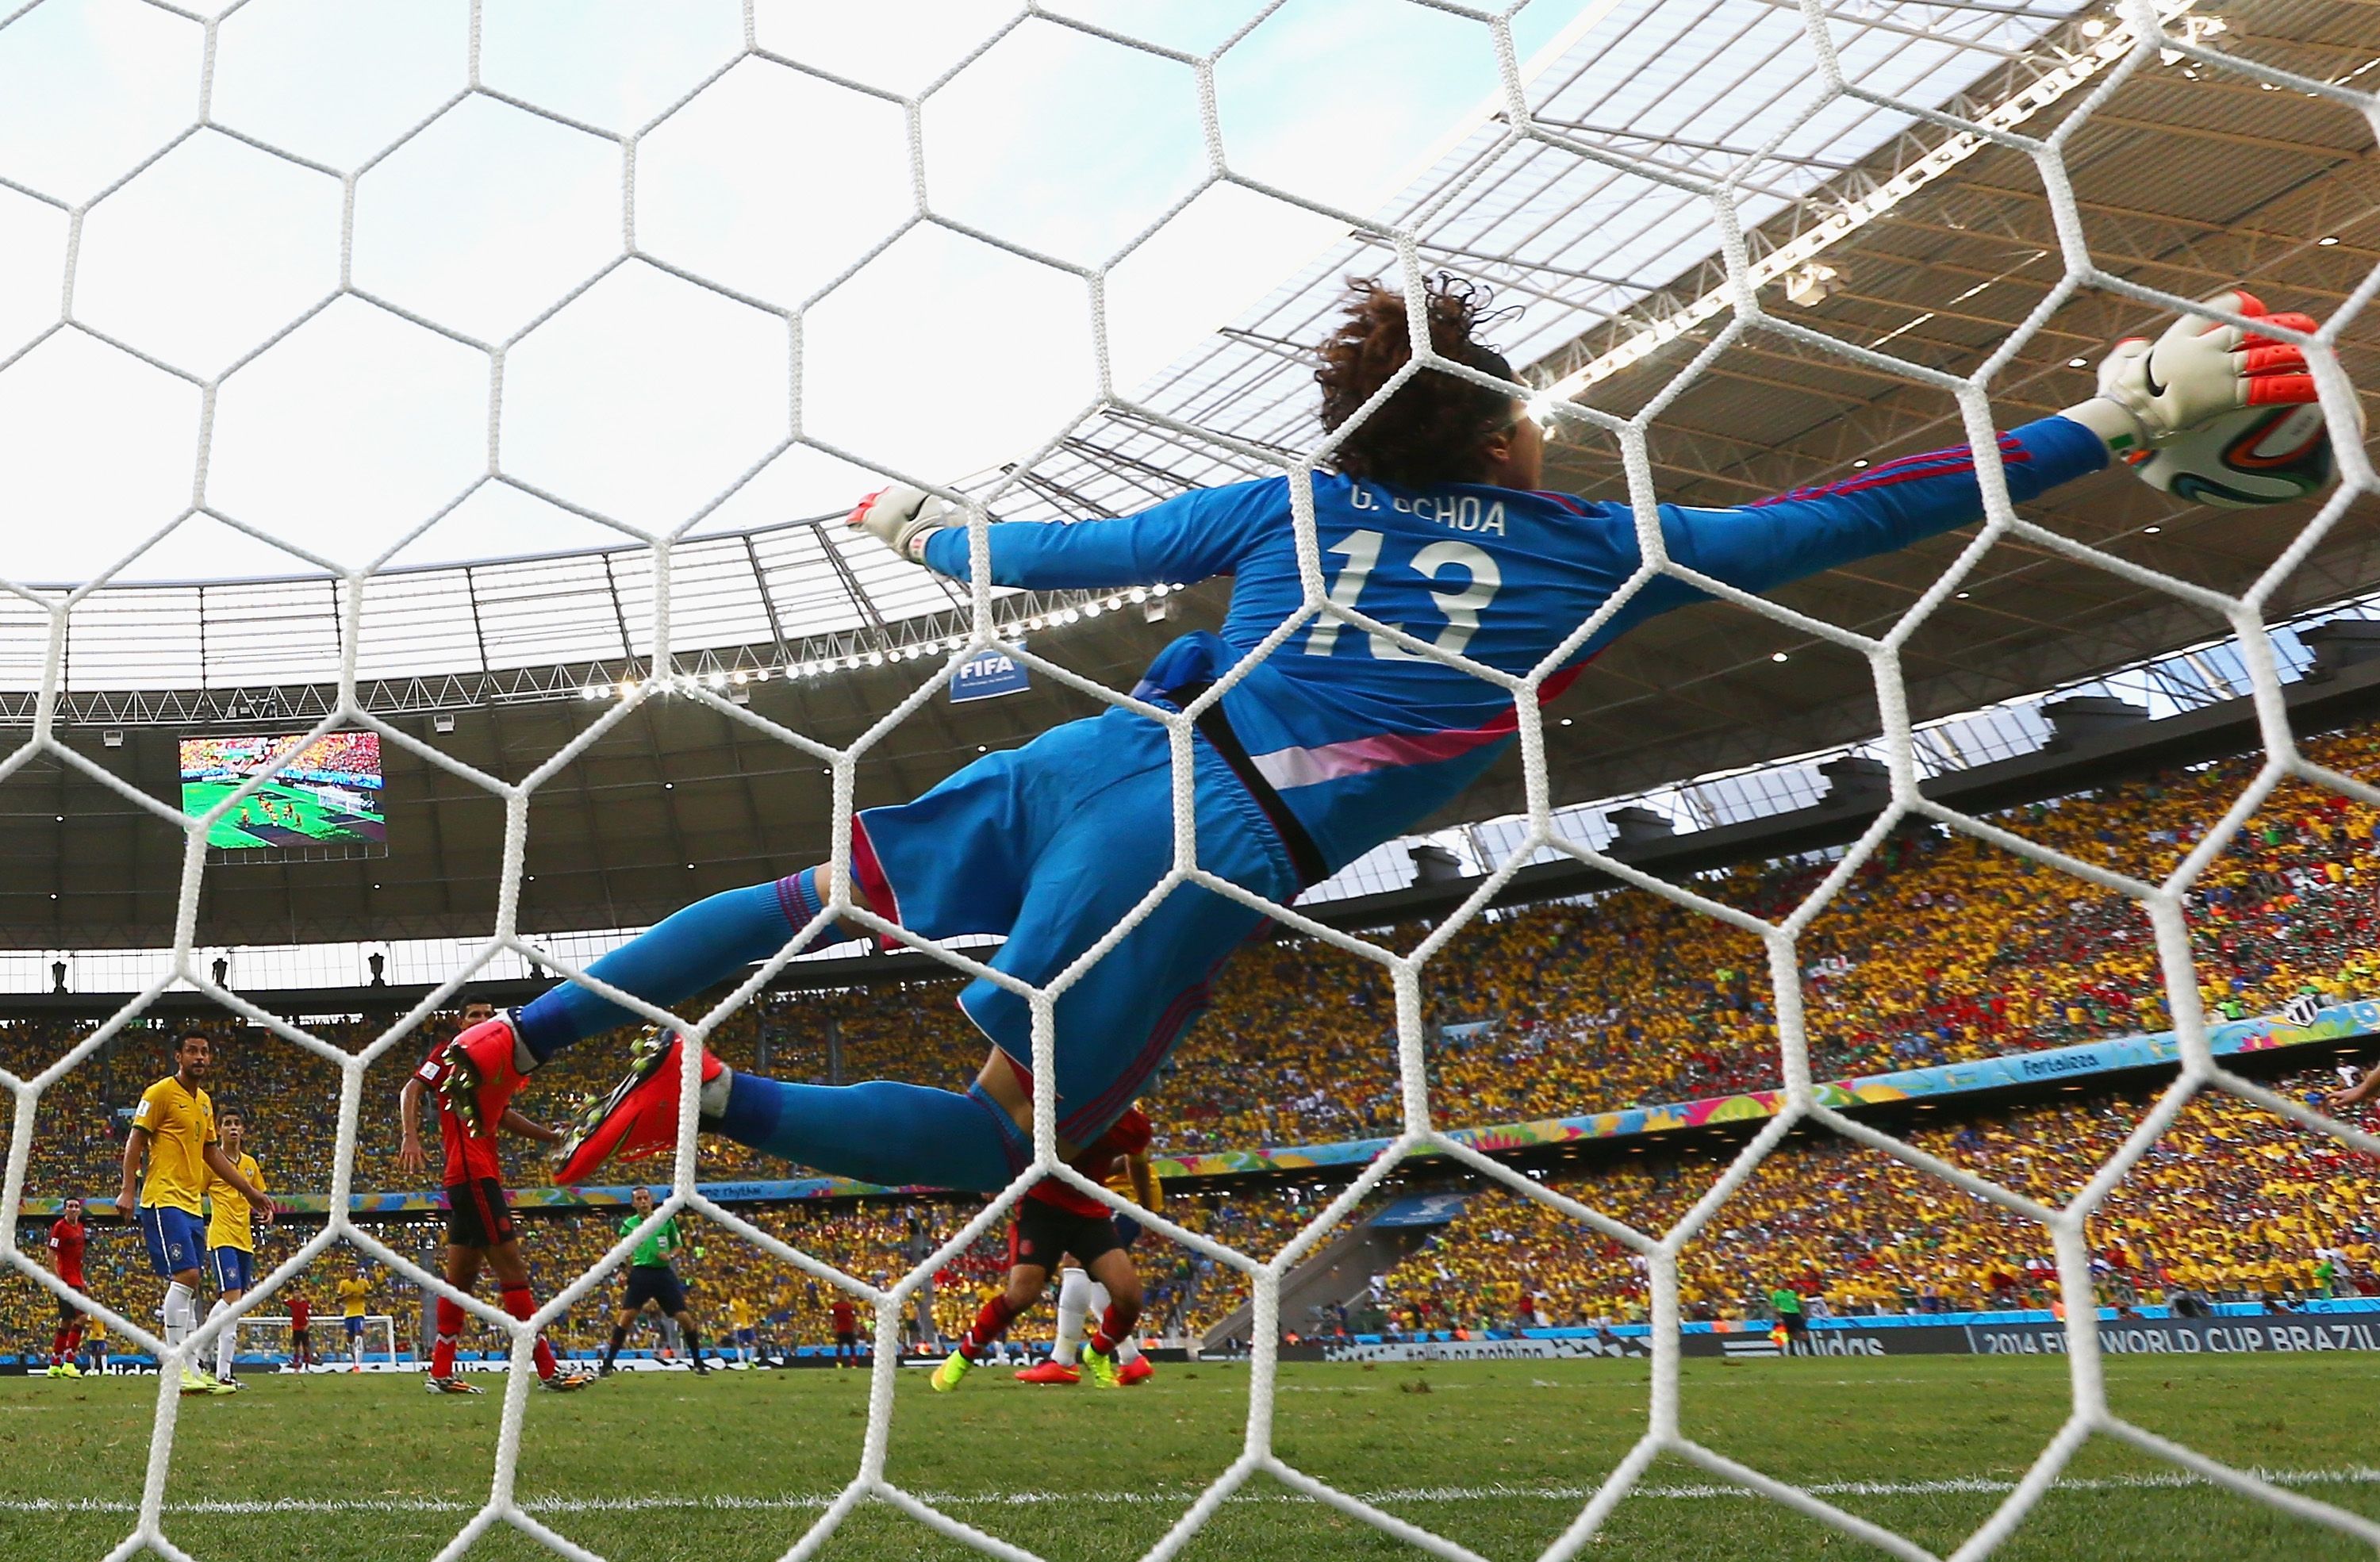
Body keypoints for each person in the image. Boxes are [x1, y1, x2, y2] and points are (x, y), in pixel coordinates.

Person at [429, 280, 2316, 1198]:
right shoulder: (1587, 552)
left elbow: (1033, 557)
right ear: (1494, 436)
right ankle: (722, 1103)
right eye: (1530, 416)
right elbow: (1859, 515)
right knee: (1014, 1146)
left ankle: (523, 1037)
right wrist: (2105, 423)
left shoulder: (1289, 508)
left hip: (1101, 758)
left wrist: (914, 526)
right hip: (1206, 841)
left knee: (804, 892)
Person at [399, 1024, 593, 1395]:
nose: (481, 1019)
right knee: (513, 1272)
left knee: (461, 1281)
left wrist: (553, 1137)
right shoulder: (449, 1055)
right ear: (461, 1022)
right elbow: (412, 1088)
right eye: (473, 1014)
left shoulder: (491, 1064)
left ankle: (440, 1372)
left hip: (471, 1179)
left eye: (487, 1014)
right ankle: (547, 1369)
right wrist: (411, 1135)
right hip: (474, 1178)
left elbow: (503, 1115)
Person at [933, 1107, 1151, 1392]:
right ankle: (962, 1357)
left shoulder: (1132, 1123)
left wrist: (1147, 1211)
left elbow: (1136, 1162)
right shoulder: (1060, 1104)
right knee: (1022, 1295)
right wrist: (996, 1176)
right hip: (1041, 1208)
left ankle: (1096, 1353)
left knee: (1130, 1298)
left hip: (1089, 1213)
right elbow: (1010, 1129)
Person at [117, 1030, 275, 1397]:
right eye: (192, 1051)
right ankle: (175, 1366)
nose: (199, 1057)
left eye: (204, 1052)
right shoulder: (159, 1093)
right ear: (179, 1056)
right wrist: (128, 1188)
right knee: (187, 1275)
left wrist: (250, 1191)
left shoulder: (204, 1103)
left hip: (191, 1203)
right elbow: (136, 1140)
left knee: (192, 1282)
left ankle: (191, 1369)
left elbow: (212, 1154)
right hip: (162, 1198)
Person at [1021, 1136, 1162, 1387]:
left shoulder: (1106, 1117)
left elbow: (1130, 1158)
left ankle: (1063, 1361)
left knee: (1076, 1262)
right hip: (1113, 1197)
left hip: (1122, 1197)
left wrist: (1075, 1169)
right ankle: (1131, 1359)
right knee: (1097, 1277)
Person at [597, 1188, 711, 1376]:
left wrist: (670, 1256)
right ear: (634, 1204)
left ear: (651, 1200)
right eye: (639, 1199)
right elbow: (623, 1251)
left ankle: (698, 1363)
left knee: (685, 1319)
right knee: (626, 1318)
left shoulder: (665, 1220)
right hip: (641, 1273)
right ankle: (608, 1364)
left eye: (645, 1198)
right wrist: (623, 1271)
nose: (643, 1202)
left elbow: (678, 1246)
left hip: (663, 1273)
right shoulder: (629, 1225)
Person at [202, 1111, 267, 1389]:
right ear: (219, 1130)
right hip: (222, 1237)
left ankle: (200, 1352)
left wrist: (266, 1212)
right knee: (232, 1301)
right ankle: (223, 1373)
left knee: (233, 1302)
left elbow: (260, 1197)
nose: (232, 1128)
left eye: (237, 1124)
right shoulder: (211, 1163)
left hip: (244, 1240)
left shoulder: (250, 1164)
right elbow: (195, 1189)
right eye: (227, 1124)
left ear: (243, 1130)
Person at [44, 1196, 87, 1379]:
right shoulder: (60, 1227)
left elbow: (77, 1259)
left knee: (67, 1321)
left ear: (80, 1210)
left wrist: (82, 1281)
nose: (73, 1209)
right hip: (66, 1281)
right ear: (65, 1209)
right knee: (82, 1317)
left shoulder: (80, 1228)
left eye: (76, 1206)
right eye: (70, 1206)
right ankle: (69, 1362)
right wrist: (57, 1279)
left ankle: (55, 1365)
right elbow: (50, 1253)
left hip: (77, 1280)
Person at [335, 1266, 374, 1372]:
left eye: (354, 1269)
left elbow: (373, 1295)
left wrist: (364, 1296)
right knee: (350, 1340)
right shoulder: (344, 1283)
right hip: (348, 1314)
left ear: (357, 1272)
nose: (352, 1272)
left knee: (359, 1337)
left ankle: (357, 1365)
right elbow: (337, 1300)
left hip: (360, 1313)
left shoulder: (363, 1282)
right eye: (350, 1270)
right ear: (347, 1272)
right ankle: (353, 1356)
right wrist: (347, 1295)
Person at [829, 1295, 860, 1368]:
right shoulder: (835, 1306)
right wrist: (833, 1328)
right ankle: (839, 1363)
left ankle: (853, 1363)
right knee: (840, 1346)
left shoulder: (849, 1306)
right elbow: (832, 1317)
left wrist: (855, 1326)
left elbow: (853, 1317)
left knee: (851, 1346)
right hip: (841, 1329)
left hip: (849, 1329)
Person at [726, 1295, 758, 1366]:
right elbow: (732, 1314)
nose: (738, 1293)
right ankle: (742, 1363)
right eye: (737, 1291)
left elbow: (747, 1313)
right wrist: (736, 1323)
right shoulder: (733, 1302)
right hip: (738, 1327)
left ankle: (751, 1362)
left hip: (746, 1326)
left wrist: (751, 1322)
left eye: (740, 1291)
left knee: (756, 1343)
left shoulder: (744, 1301)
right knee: (741, 1345)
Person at [287, 1288, 313, 1373]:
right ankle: (297, 1367)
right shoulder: (292, 1303)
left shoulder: (306, 1304)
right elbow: (282, 1301)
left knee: (306, 1348)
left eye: (298, 1292)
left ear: (301, 1294)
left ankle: (307, 1367)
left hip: (304, 1328)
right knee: (296, 1348)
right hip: (296, 1328)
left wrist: (307, 1326)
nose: (297, 1294)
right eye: (295, 1293)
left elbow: (309, 1317)